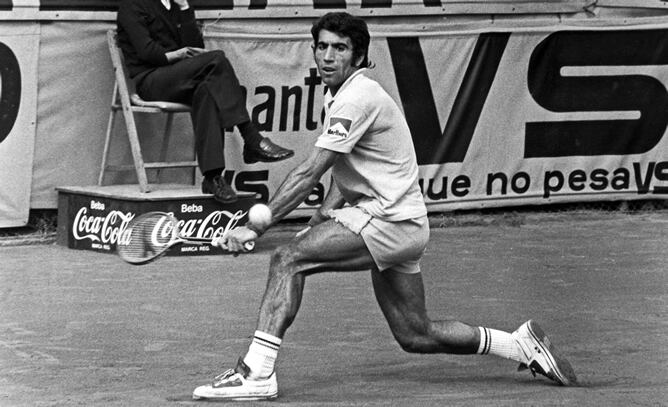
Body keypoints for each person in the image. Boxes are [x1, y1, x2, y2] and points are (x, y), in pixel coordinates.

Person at [192, 12, 578, 401]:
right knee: (415, 333)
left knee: (287, 259)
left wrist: (256, 226)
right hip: (403, 224)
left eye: (340, 49)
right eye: (322, 47)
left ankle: (256, 373)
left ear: (358, 57)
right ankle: (518, 344)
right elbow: (347, 172)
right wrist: (320, 220)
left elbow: (311, 171)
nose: (328, 57)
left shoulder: (358, 98)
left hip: (387, 221)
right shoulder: (340, 94)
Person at [116, 0, 294, 203]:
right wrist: (180, 54)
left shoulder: (173, 5)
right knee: (217, 60)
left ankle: (212, 177)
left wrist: (184, 8)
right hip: (151, 80)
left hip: (180, 78)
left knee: (207, 91)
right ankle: (250, 136)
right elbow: (148, 52)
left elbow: (195, 46)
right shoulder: (132, 5)